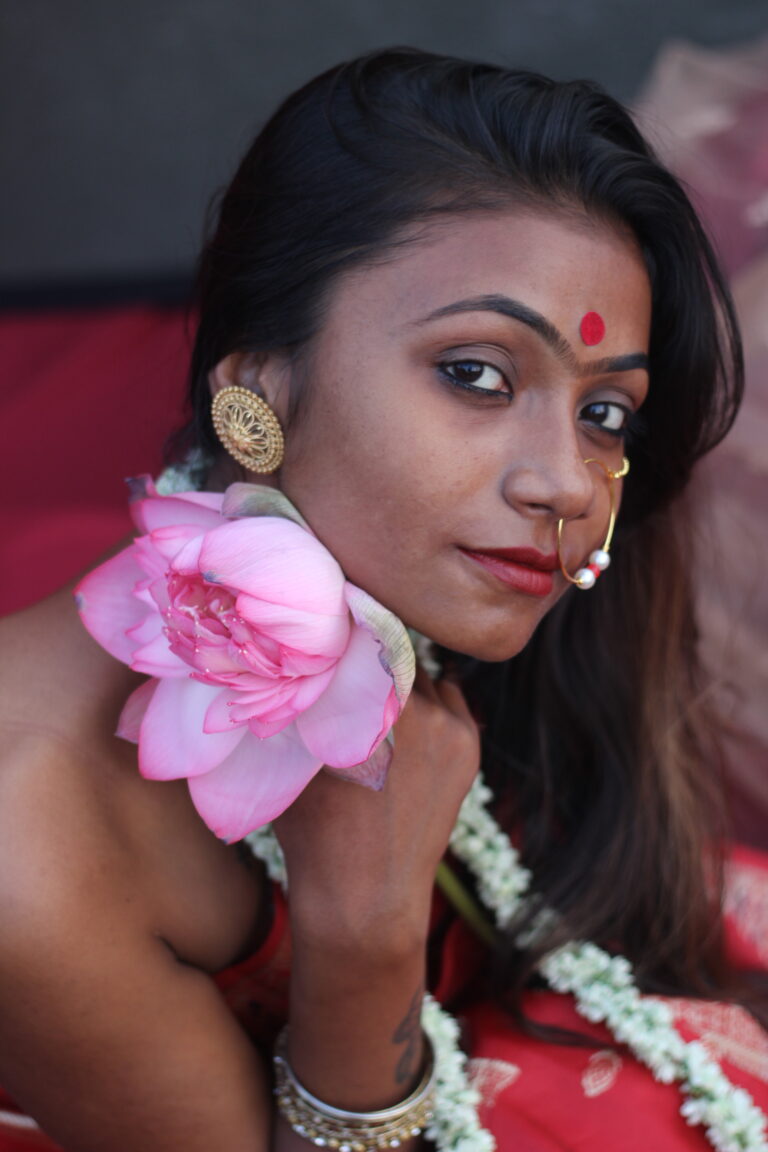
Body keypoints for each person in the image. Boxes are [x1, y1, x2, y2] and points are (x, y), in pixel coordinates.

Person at [0, 47, 765, 1152]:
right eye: (477, 374)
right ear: (258, 387)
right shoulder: (28, 841)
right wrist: (363, 941)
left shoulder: (429, 603)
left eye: (607, 414)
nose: (566, 484)